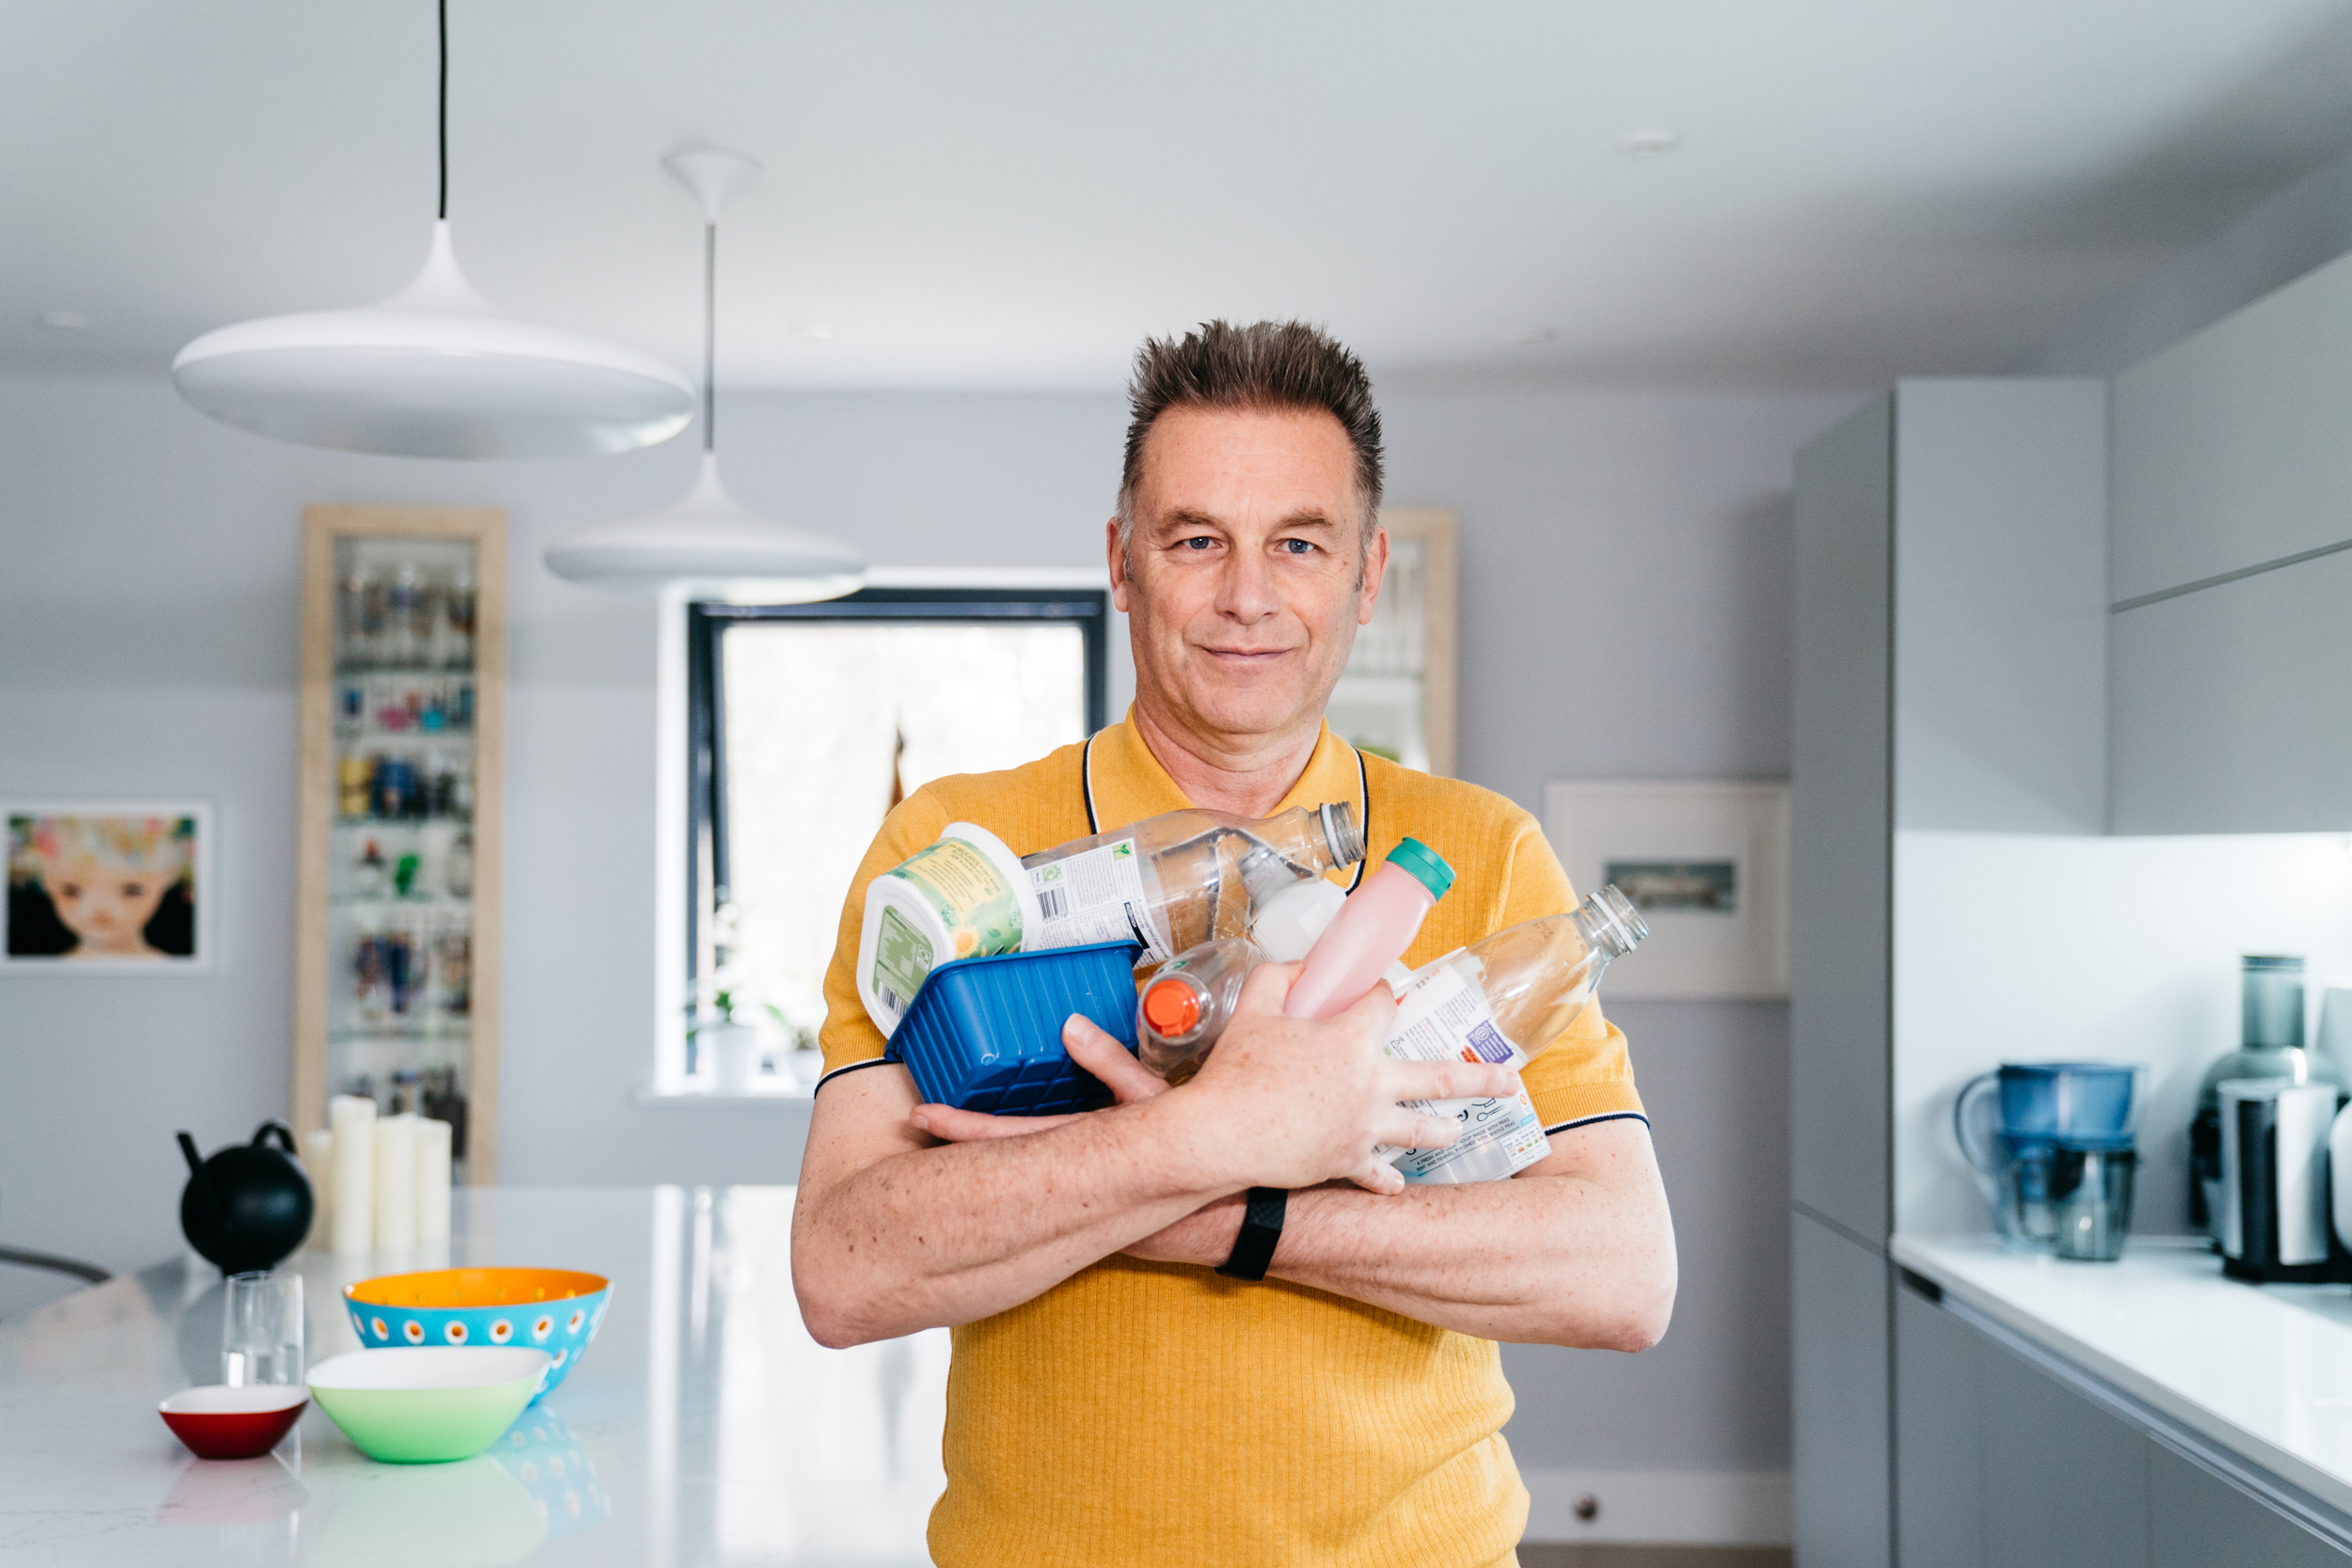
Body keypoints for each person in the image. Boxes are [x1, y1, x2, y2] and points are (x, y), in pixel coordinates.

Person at [792, 319, 1677, 1568]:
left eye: (1299, 544)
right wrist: (1223, 1131)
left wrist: (1212, 1205)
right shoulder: (960, 858)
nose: (1246, 595)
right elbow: (846, 1266)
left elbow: (1621, 1274)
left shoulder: (1480, 854)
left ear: (1367, 578)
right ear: (1122, 563)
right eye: (1196, 539)